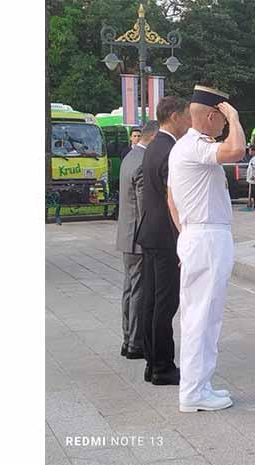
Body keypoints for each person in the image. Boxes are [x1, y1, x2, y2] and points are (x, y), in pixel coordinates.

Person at [167, 85, 245, 412]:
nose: (225, 126)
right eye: (222, 119)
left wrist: (186, 234)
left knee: (202, 316)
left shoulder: (184, 147)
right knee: (203, 317)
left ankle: (200, 385)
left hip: (199, 235)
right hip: (207, 237)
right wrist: (235, 118)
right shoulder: (196, 145)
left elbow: (171, 197)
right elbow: (236, 150)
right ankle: (194, 392)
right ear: (212, 116)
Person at [135, 96, 191, 386]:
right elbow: (174, 200)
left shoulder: (153, 145)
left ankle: (151, 362)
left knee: (150, 300)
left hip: (150, 232)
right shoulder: (171, 150)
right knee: (164, 304)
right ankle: (162, 367)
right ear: (174, 116)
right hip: (166, 236)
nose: (190, 122)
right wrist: (184, 235)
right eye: (187, 116)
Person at [116, 121, 159, 359]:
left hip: (127, 235)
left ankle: (127, 338)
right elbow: (145, 208)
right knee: (139, 291)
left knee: (129, 289)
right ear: (152, 138)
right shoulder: (143, 162)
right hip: (138, 237)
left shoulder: (129, 157)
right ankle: (135, 343)